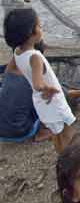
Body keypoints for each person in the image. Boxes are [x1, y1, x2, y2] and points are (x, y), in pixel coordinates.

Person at [4, 8, 76, 153]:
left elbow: (9, 71)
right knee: (68, 133)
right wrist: (47, 88)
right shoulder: (35, 57)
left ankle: (62, 158)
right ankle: (71, 160)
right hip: (53, 100)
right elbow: (37, 84)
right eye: (39, 25)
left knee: (57, 133)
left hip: (41, 103)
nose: (41, 28)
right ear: (31, 33)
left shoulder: (17, 51)